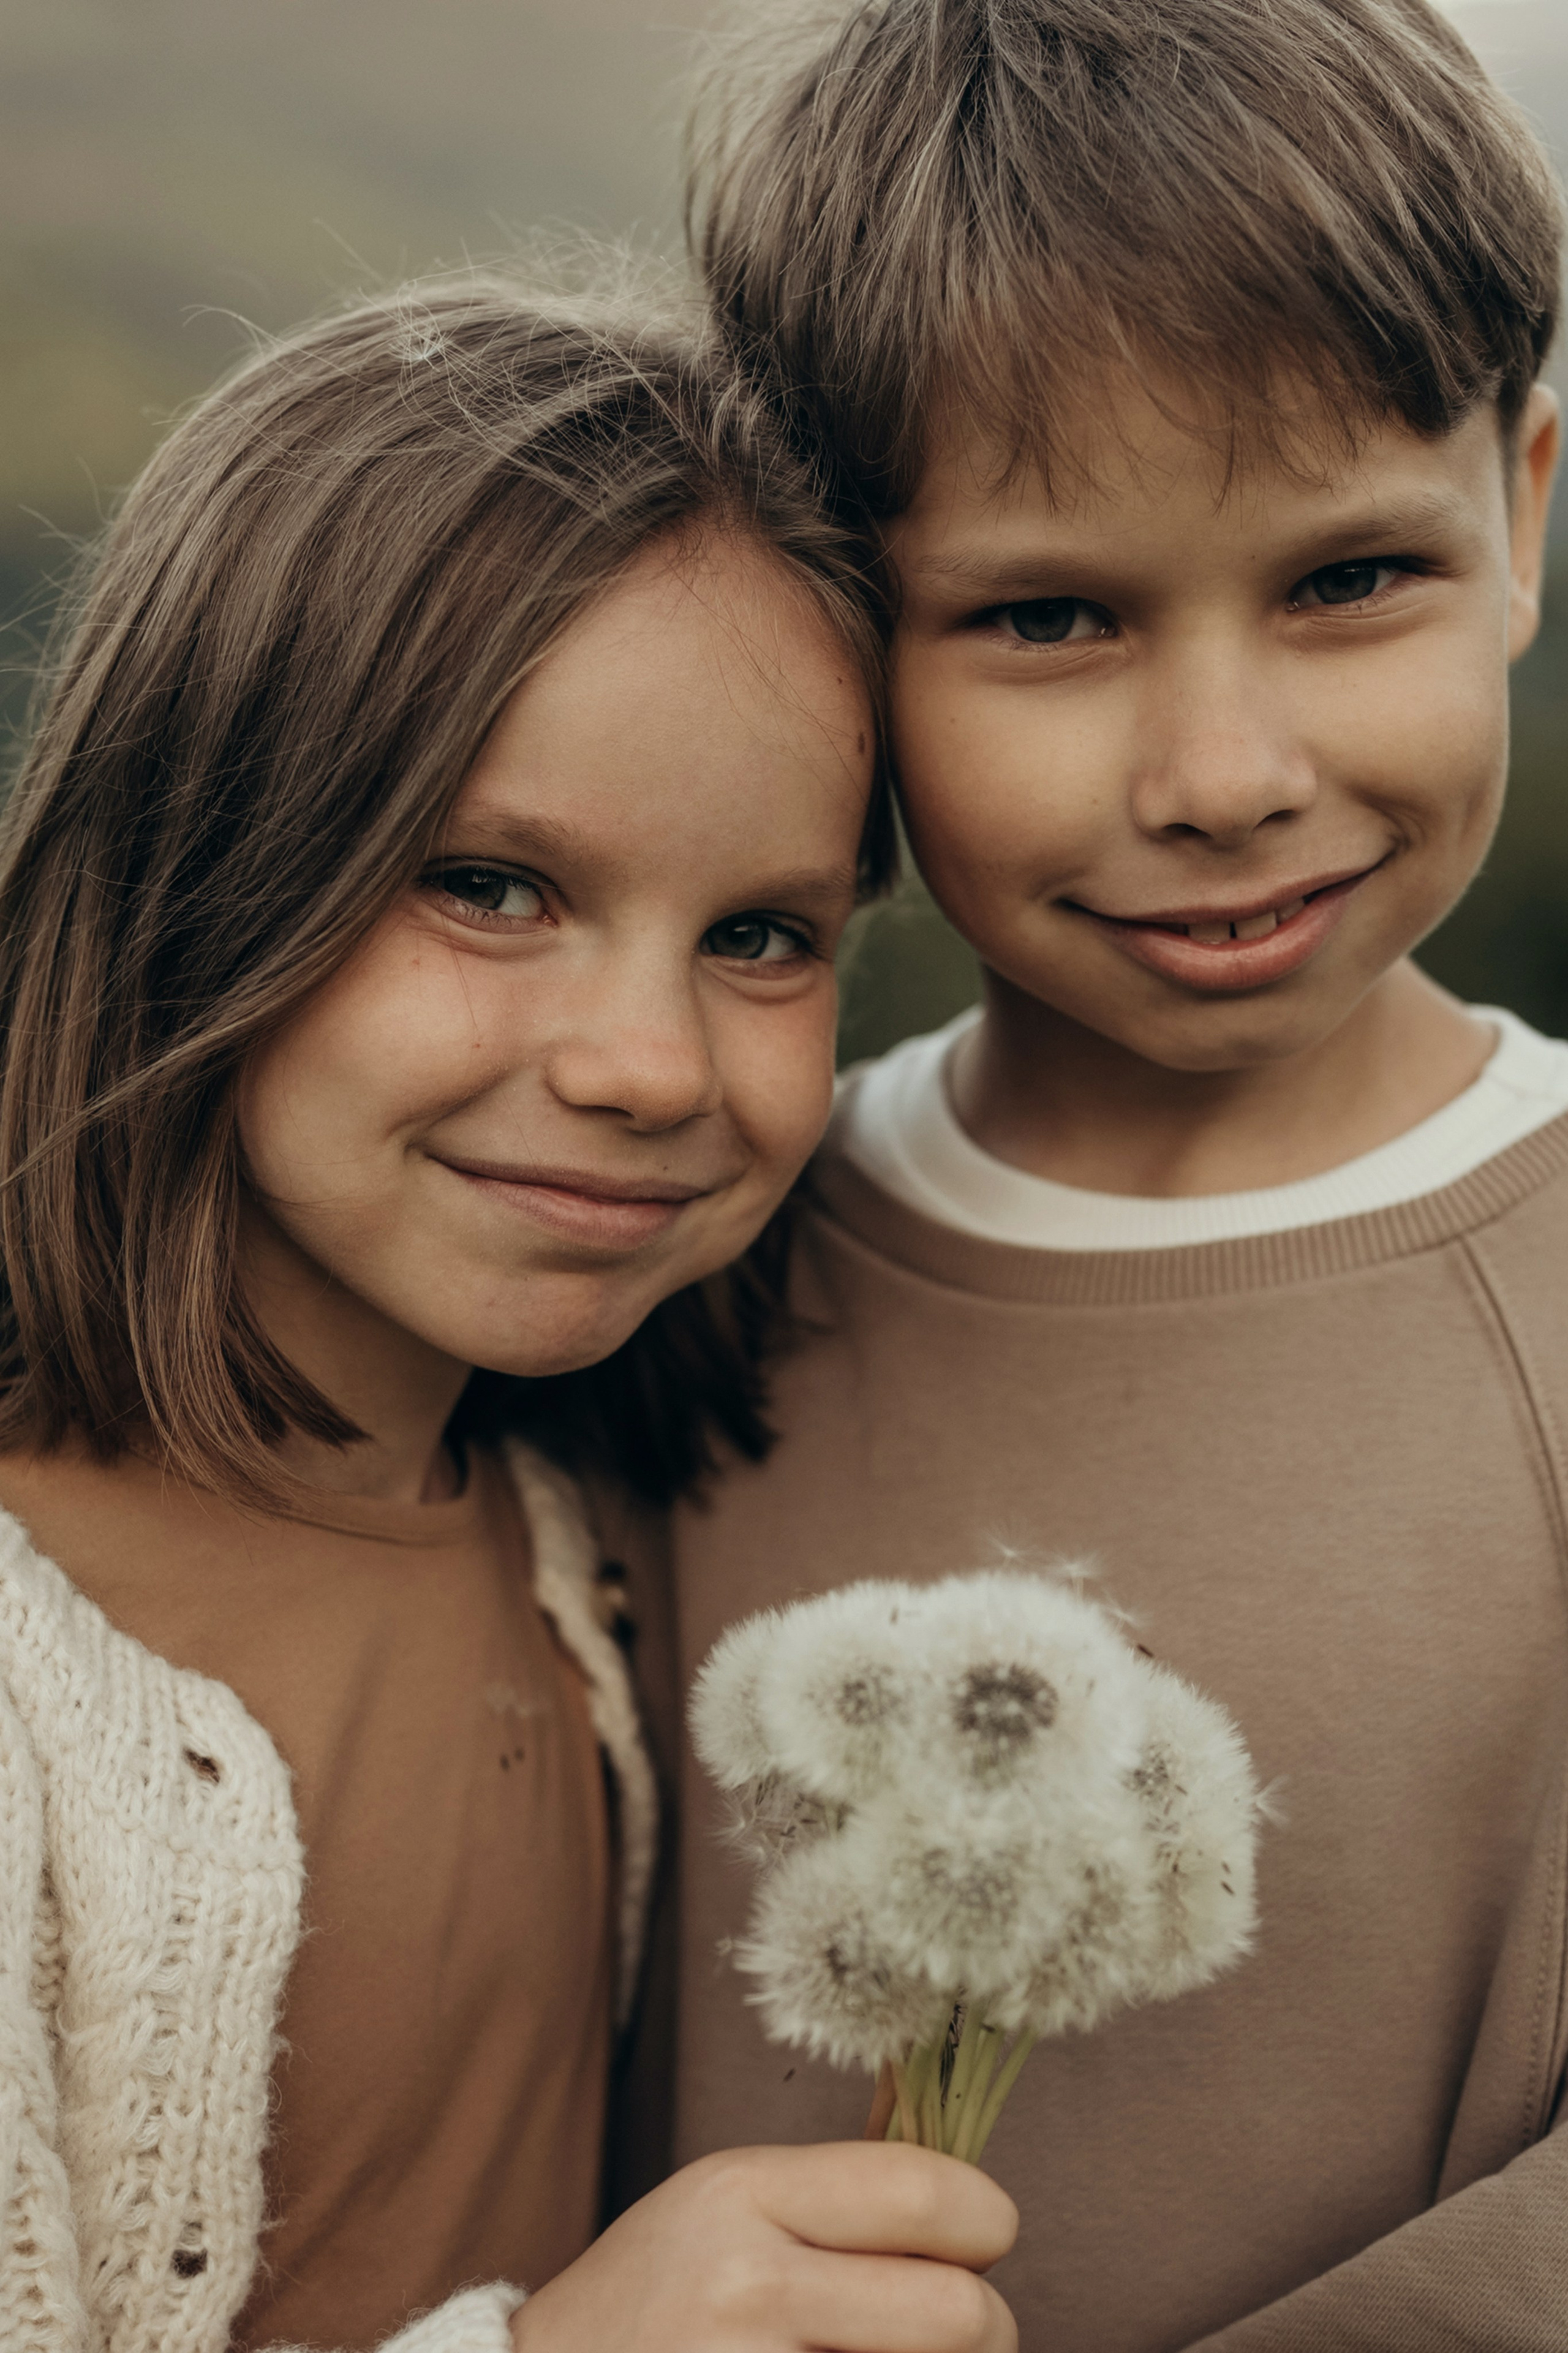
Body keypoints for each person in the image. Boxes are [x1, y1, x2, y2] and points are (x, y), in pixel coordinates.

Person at [656, 1, 1568, 2344]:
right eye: (1048, 616)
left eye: (1354, 578)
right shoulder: (660, 1262)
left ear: (1530, 510)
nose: (1225, 770)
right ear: (836, 622)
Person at [0, 271, 1020, 2353]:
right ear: (198, 849)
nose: (648, 1062)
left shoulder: (580, 1547)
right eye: (490, 884)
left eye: (759, 932)